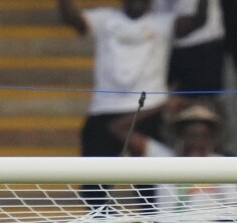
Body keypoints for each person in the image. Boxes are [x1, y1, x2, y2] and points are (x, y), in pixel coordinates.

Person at [57, 0, 208, 160]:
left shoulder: (163, 22)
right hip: (104, 108)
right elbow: (72, 19)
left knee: (149, 181)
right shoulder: (104, 19)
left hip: (148, 110)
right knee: (95, 181)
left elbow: (198, 20)